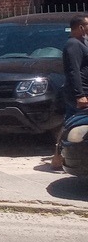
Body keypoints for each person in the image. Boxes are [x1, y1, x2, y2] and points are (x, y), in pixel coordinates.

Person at [52, 15, 88, 170]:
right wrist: (80, 95)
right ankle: (58, 156)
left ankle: (58, 156)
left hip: (82, 92)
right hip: (79, 94)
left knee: (70, 122)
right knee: (71, 124)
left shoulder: (81, 43)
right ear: (81, 27)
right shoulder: (73, 44)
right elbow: (73, 71)